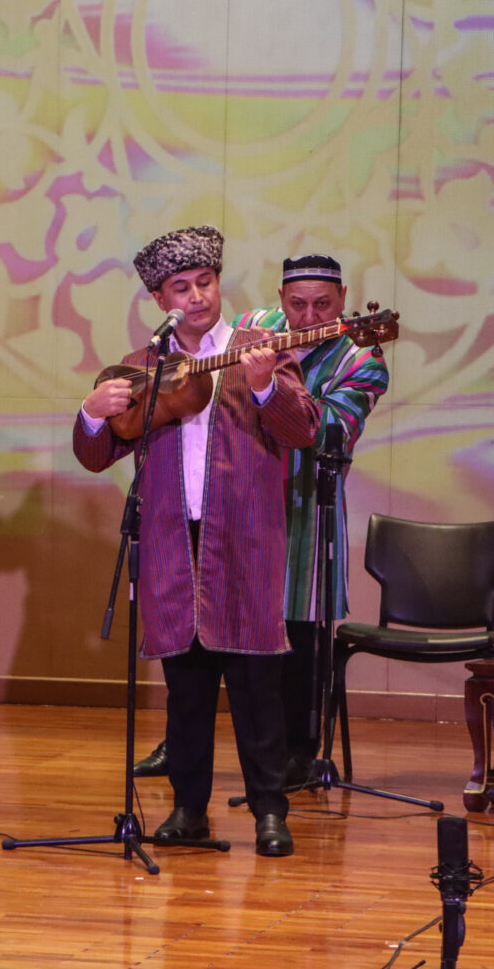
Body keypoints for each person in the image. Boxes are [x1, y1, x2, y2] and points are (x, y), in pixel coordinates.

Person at [75, 225, 319, 857]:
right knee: (185, 688)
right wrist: (92, 411)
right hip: (170, 539)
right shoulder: (144, 365)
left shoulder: (258, 346)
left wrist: (266, 385)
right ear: (161, 300)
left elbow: (302, 429)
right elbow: (97, 454)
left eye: (204, 283)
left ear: (218, 282)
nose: (196, 297)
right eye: (180, 288)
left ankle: (270, 810)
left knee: (255, 686)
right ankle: (188, 810)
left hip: (243, 540)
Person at [132, 255, 389, 787]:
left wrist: (278, 390)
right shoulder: (256, 329)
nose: (306, 315)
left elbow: (335, 433)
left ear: (344, 302)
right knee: (203, 622)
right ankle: (182, 748)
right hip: (234, 504)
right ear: (280, 299)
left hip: (301, 509)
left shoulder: (361, 361)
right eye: (297, 304)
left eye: (322, 304)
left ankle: (295, 754)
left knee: (292, 635)